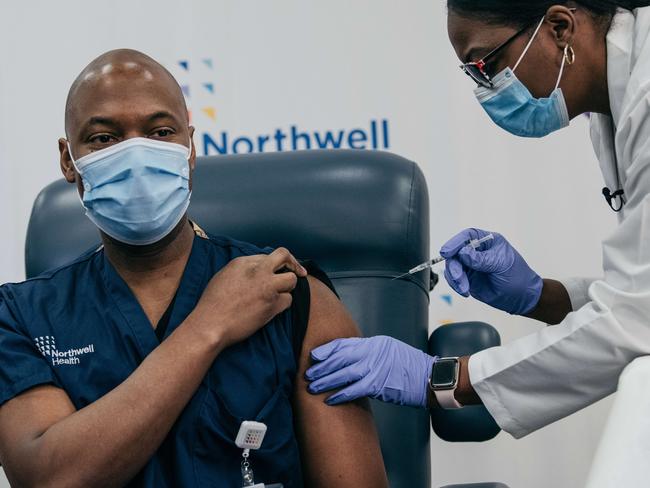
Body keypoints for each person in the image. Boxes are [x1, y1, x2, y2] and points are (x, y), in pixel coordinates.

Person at [0, 49, 388, 487]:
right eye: (104, 138)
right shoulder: (19, 317)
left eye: (161, 131)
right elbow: (49, 478)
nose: (137, 155)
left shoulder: (292, 296)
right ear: (68, 160)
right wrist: (208, 325)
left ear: (190, 147)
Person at [307, 1, 650, 439]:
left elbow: (635, 322)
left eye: (486, 63)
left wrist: (439, 378)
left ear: (560, 27)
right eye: (473, 74)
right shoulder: (616, 106)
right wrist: (538, 297)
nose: (487, 88)